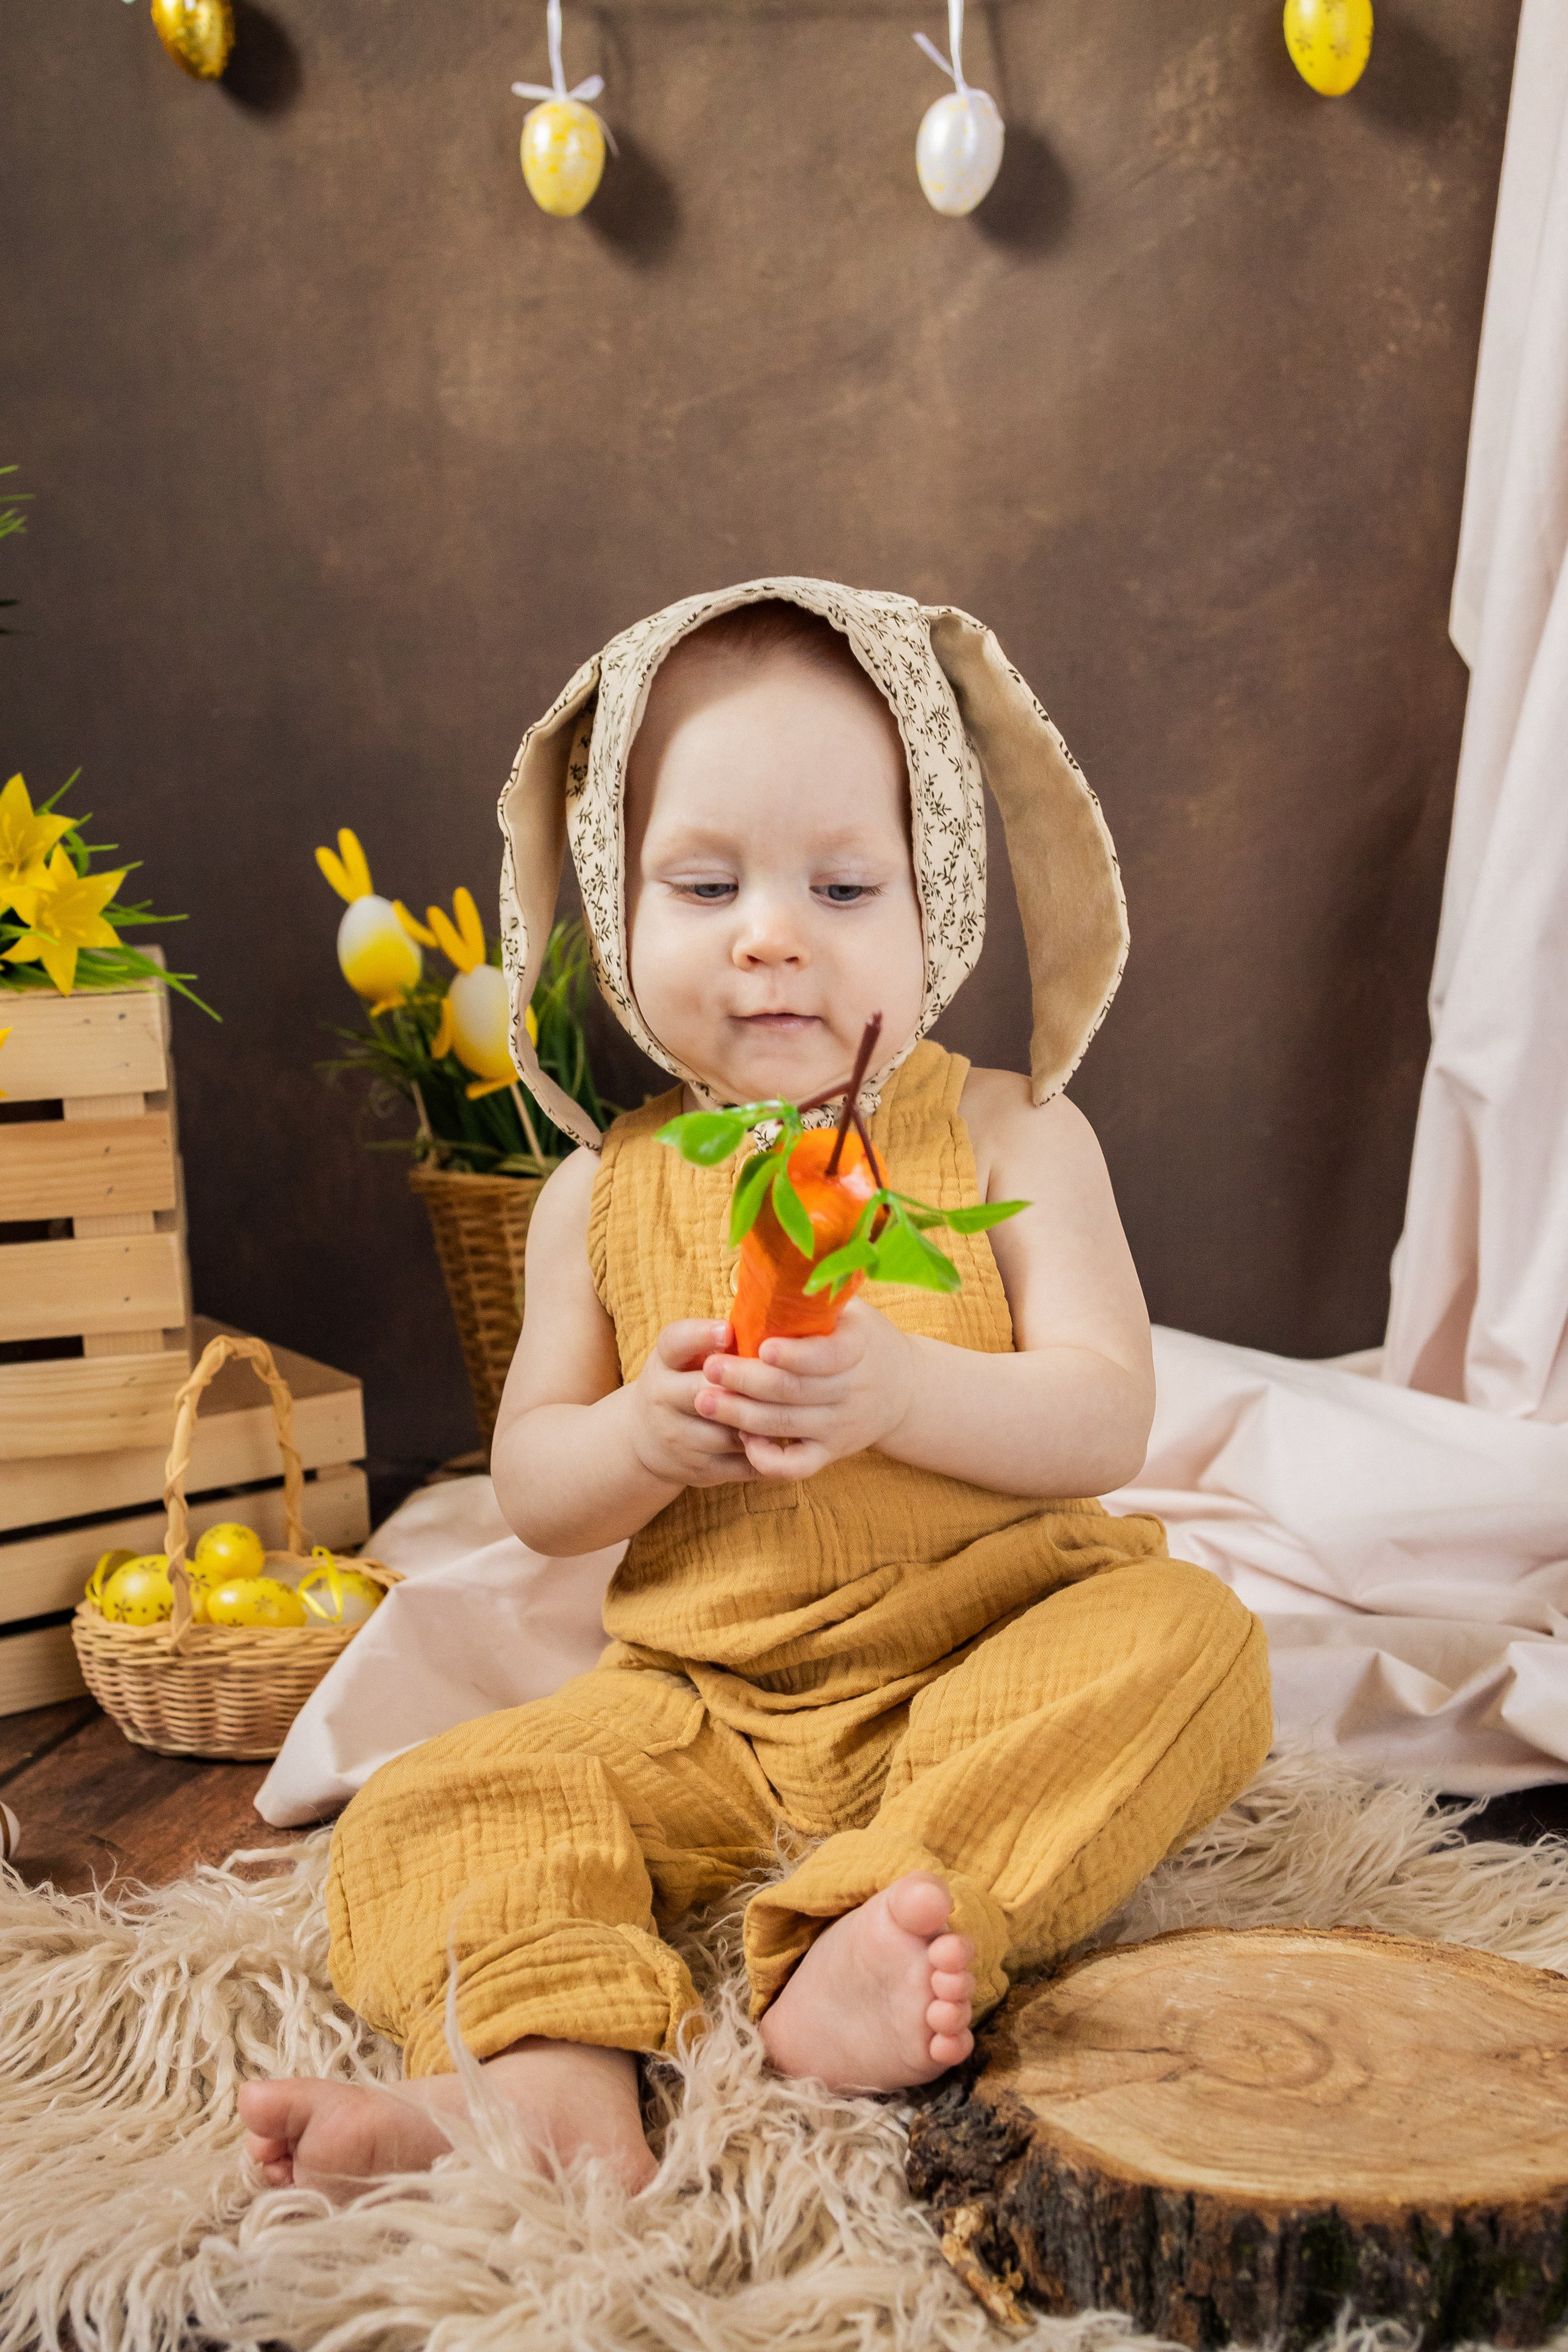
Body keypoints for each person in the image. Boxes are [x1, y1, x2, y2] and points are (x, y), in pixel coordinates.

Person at [239, 581, 1272, 2197]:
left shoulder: (1009, 1134)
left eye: (843, 886)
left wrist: (902, 1392)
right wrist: (641, 1438)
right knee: (445, 1793)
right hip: (704, 1708)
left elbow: (1105, 1415)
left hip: (986, 1657)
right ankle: (548, 2068)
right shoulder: (602, 1190)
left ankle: (872, 1920)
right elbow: (537, 1487)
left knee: (1190, 1642)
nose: (769, 934)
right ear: (614, 903)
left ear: (936, 898)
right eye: (705, 883)